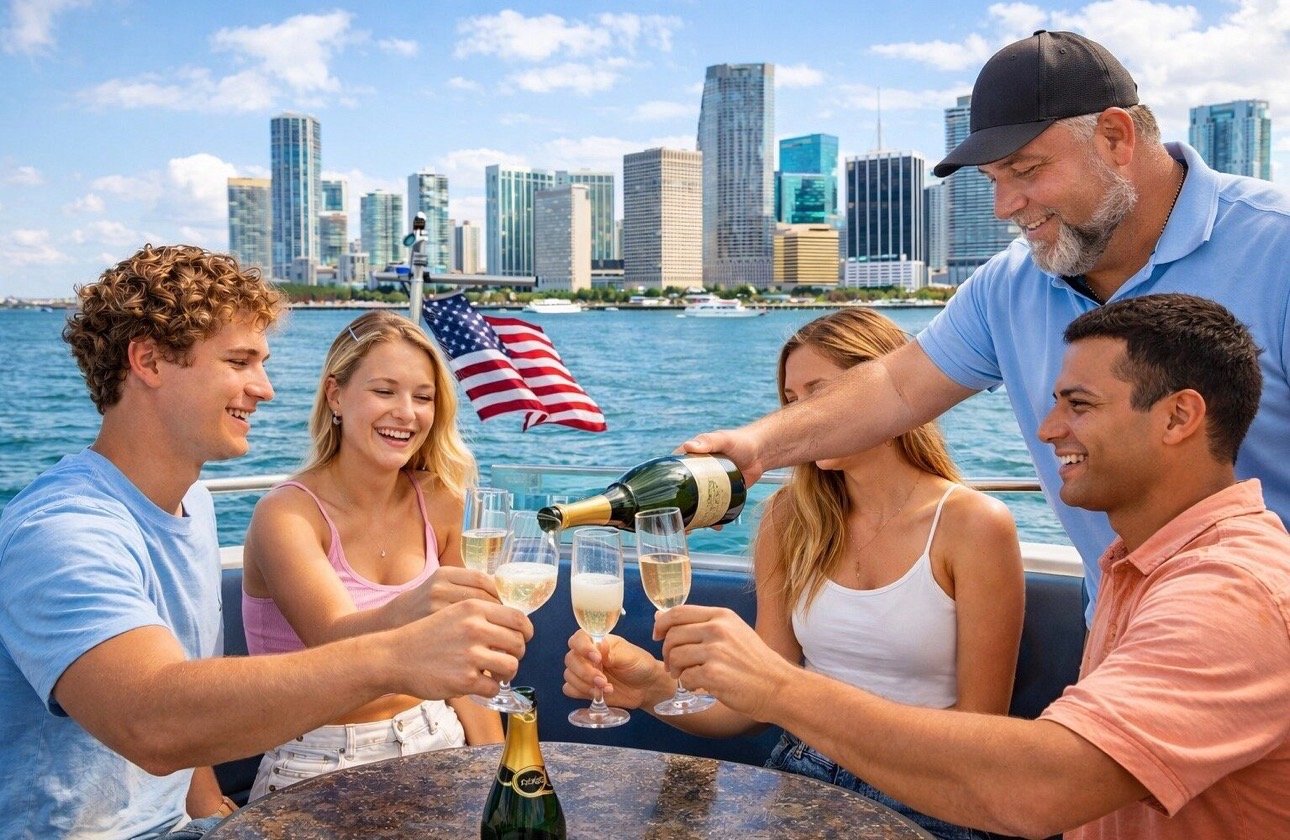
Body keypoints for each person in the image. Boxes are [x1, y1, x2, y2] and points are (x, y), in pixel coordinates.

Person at [685, 30, 1290, 625]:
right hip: (1119, 645)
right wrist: (759, 446)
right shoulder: (1008, 285)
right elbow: (897, 388)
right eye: (993, 181)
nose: (1006, 206)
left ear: (1115, 136)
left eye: (1026, 171)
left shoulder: (1277, 247)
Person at [629, 294, 1290, 838]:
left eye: (1078, 404)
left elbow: (1033, 790)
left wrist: (778, 689)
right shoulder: (1132, 566)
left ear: (1179, 416)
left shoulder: (1230, 592)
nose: (1047, 428)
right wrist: (654, 686)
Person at [0, 245, 531, 839]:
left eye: (263, 362)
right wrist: (398, 653)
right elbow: (152, 720)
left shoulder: (191, 503)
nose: (265, 388)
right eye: (240, 361)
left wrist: (206, 808)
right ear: (148, 361)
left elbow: (186, 681)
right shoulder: (62, 530)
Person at [566, 309, 1025, 840]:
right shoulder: (790, 518)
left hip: (930, 797)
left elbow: (982, 741)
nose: (801, 417)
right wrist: (650, 686)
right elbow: (754, 709)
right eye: (790, 401)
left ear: (882, 394)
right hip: (800, 776)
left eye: (820, 395)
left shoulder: (974, 525)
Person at [241, 311, 502, 799]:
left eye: (423, 397)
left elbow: (469, 672)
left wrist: (497, 775)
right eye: (385, 391)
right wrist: (421, 606)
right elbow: (335, 643)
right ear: (336, 395)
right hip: (314, 759)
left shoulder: (443, 501)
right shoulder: (287, 515)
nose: (407, 413)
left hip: (437, 735)